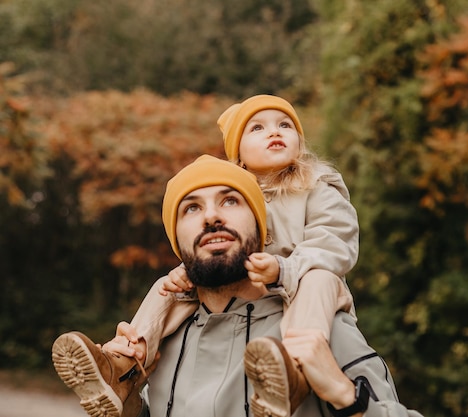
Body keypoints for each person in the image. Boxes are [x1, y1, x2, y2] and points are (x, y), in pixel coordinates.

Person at [53, 95, 359, 417]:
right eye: (258, 128)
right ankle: (126, 363)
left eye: (285, 125)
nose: (274, 132)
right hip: (247, 287)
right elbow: (219, 247)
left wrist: (286, 268)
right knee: (167, 287)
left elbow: (334, 241)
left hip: (303, 285)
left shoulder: (315, 185)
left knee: (320, 276)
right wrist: (185, 274)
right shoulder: (234, 190)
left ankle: (296, 366)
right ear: (237, 152)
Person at [93, 155, 424, 417]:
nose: (211, 217)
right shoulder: (165, 343)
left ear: (262, 229)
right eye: (192, 208)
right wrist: (128, 406)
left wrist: (344, 394)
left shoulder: (316, 331)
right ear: (177, 241)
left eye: (230, 201)